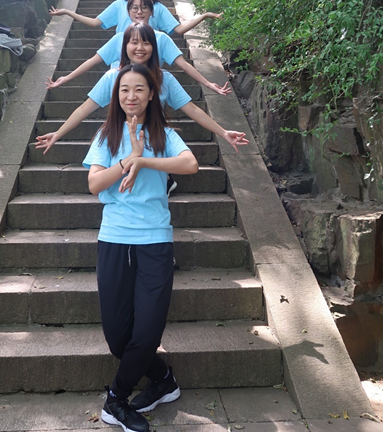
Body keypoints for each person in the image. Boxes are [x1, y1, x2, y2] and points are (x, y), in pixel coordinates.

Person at [83, 63, 198, 432]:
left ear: (151, 95)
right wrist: (126, 159)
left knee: (146, 334)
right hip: (114, 239)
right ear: (116, 96)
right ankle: (163, 379)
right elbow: (94, 184)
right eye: (124, 90)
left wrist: (144, 157)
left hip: (154, 241)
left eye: (138, 89)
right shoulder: (106, 135)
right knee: (119, 338)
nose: (130, 96)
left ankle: (115, 400)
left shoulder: (164, 135)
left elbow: (191, 164)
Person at [36, 22, 248, 153]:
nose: (140, 48)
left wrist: (223, 132)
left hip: (154, 141)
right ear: (125, 46)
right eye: (134, 42)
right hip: (118, 141)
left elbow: (192, 109)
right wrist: (58, 133)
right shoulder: (112, 77)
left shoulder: (164, 79)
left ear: (154, 47)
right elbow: (84, 108)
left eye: (146, 43)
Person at [44, 23, 231, 95]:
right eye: (134, 8)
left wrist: (209, 84)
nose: (139, 11)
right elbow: (93, 61)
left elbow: (184, 65)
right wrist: (66, 78)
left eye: (144, 7)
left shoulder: (161, 43)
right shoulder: (117, 50)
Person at [49, 0, 224, 36]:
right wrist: (68, 12)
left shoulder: (158, 8)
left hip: (150, 61)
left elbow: (178, 29)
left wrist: (204, 15)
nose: (139, 12)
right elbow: (96, 22)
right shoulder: (119, 5)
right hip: (121, 62)